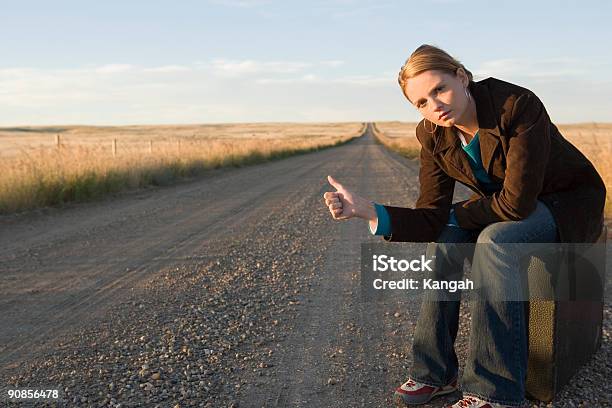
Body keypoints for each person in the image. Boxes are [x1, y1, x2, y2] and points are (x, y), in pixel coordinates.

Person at [322, 44, 606, 408]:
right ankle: (434, 373)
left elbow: (516, 204)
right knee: (444, 238)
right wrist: (368, 210)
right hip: (510, 205)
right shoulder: (432, 135)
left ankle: (495, 392)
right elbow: (430, 215)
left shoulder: (516, 105)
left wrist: (456, 215)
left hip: (565, 202)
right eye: (421, 102)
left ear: (462, 76)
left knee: (495, 241)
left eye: (439, 89)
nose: (434, 106)